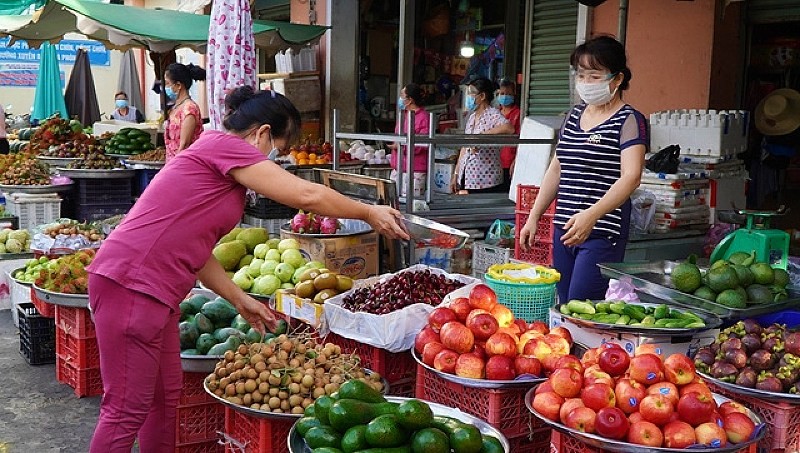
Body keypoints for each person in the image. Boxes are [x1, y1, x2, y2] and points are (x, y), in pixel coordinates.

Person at [86, 86, 410, 453]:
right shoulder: (224, 146)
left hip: (152, 290)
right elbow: (306, 195)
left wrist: (240, 299)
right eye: (278, 151)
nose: (275, 161)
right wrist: (368, 211)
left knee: (163, 397)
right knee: (125, 411)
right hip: (131, 283)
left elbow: (197, 252)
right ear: (262, 133)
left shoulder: (217, 162)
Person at [519, 36, 648, 303]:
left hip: (602, 232)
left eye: (594, 76)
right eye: (581, 75)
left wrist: (591, 215)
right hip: (564, 229)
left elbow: (632, 176)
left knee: (583, 306)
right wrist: (534, 217)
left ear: (618, 78)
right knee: (565, 303)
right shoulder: (573, 116)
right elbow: (556, 168)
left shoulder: (629, 120)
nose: (586, 83)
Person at [451, 78, 514, 194]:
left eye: (472, 93)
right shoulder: (471, 117)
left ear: (482, 96)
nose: (469, 97)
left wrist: (482, 136)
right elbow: (465, 147)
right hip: (467, 176)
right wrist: (456, 173)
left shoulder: (493, 114)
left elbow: (509, 128)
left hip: (486, 179)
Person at [389, 83, 430, 198]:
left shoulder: (423, 117)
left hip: (414, 170)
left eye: (402, 95)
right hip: (398, 167)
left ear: (410, 99)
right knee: (392, 201)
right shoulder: (404, 115)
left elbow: (422, 144)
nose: (400, 98)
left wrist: (401, 146)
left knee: (412, 203)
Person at [163, 62, 205, 162]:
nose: (165, 87)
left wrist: (174, 165)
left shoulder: (189, 109)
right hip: (172, 163)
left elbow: (184, 144)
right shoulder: (175, 108)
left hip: (184, 163)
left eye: (167, 83)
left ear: (178, 85)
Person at [497, 79, 521, 191]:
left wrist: (516, 161)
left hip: (509, 161)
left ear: (514, 95)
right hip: (494, 162)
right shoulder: (495, 113)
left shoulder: (518, 114)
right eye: (502, 93)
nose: (505, 96)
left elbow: (521, 140)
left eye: (508, 94)